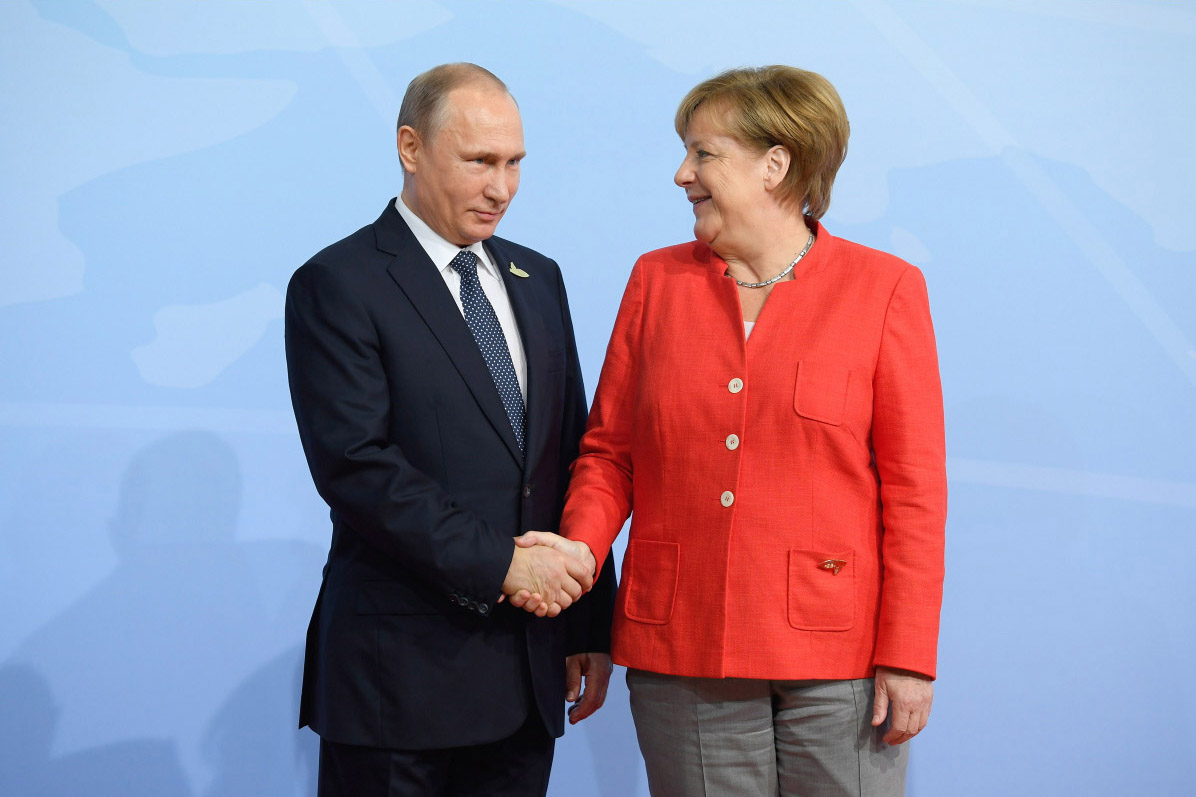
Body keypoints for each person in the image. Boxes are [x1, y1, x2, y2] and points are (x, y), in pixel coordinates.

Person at [516, 65, 946, 795]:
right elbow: (610, 453)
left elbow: (913, 492)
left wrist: (909, 653)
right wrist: (580, 550)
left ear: (776, 163)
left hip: (839, 660)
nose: (682, 173)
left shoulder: (884, 289)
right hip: (683, 646)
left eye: (703, 153)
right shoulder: (656, 281)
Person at [285, 62, 615, 797]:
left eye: (515, 163)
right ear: (410, 147)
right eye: (480, 162)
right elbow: (357, 466)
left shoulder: (540, 276)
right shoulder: (339, 282)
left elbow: (568, 453)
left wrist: (588, 621)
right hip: (397, 687)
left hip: (527, 679)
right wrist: (505, 564)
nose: (502, 187)